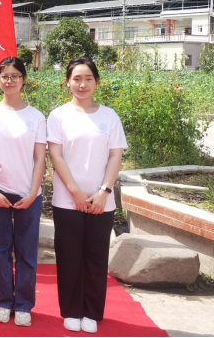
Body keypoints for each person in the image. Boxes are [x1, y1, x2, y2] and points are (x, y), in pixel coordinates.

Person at [47, 57, 127, 334]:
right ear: (67, 82)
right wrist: (76, 192)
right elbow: (56, 155)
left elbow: (115, 155)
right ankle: (71, 310)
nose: (82, 84)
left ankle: (91, 311)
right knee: (69, 256)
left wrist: (104, 191)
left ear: (96, 82)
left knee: (96, 256)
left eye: (88, 78)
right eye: (77, 79)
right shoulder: (58, 116)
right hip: (67, 200)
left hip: (101, 201)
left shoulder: (109, 116)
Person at [0, 56, 46, 327]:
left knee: (27, 251)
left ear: (23, 79)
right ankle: (4, 301)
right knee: (0, 249)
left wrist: (33, 192)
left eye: (15, 76)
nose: (10, 80)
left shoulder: (36, 117)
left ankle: (24, 304)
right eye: (5, 76)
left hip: (29, 193)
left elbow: (40, 158)